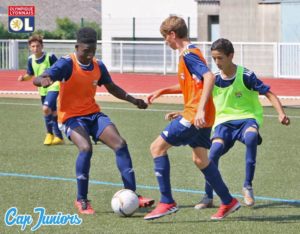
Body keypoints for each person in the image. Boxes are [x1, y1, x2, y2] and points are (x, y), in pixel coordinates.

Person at [33, 27, 154, 215]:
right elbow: (38, 79)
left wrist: (133, 100)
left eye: (93, 50)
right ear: (76, 47)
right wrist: (44, 80)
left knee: (121, 144)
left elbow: (111, 87)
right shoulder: (66, 63)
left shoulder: (98, 66)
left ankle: (132, 194)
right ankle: (81, 199)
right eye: (85, 51)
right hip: (70, 117)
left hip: (93, 115)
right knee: (85, 148)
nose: (89, 55)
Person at [144, 16, 240, 221]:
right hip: (199, 115)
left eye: (165, 37)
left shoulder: (188, 54)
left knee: (156, 148)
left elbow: (209, 77)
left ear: (172, 34)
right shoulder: (190, 53)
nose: (165, 42)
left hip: (196, 116)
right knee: (200, 159)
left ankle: (167, 201)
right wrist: (163, 90)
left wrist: (199, 111)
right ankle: (228, 201)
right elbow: (192, 86)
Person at [194, 38, 290, 209]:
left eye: (220, 58)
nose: (217, 63)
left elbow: (270, 94)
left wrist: (281, 113)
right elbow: (198, 98)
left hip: (247, 119)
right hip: (223, 123)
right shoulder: (213, 78)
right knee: (213, 153)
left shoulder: (246, 76)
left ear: (231, 56)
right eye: (214, 58)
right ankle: (208, 197)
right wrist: (182, 112)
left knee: (252, 137)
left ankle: (247, 186)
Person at [18, 35, 64, 145]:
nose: (35, 48)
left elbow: (59, 69)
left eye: (38, 46)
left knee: (45, 108)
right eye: (33, 46)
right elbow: (30, 74)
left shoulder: (50, 56)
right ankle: (59, 137)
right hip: (42, 89)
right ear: (30, 47)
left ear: (42, 46)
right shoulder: (31, 60)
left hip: (54, 86)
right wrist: (23, 78)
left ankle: (49, 134)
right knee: (51, 111)